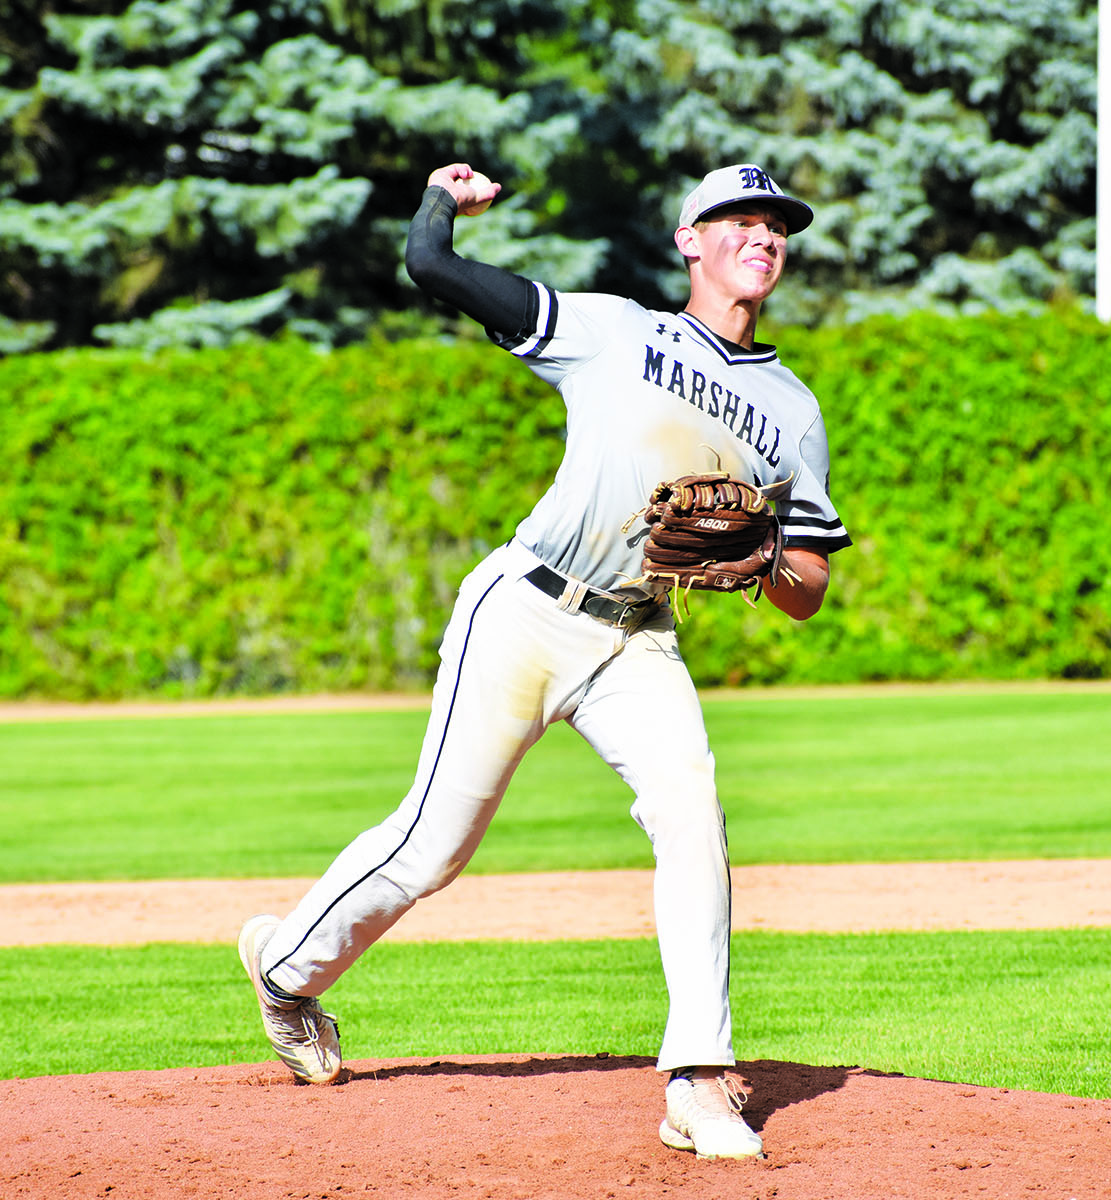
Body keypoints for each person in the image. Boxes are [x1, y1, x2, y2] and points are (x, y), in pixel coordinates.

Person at [238, 161, 852, 1160]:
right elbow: (432, 267)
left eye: (776, 223)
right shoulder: (613, 330)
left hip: (638, 635)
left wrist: (765, 554)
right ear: (689, 242)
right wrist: (443, 201)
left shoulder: (792, 409)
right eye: (737, 218)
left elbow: (809, 584)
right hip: (526, 609)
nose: (762, 235)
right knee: (433, 846)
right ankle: (287, 973)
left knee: (692, 816)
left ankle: (698, 1079)